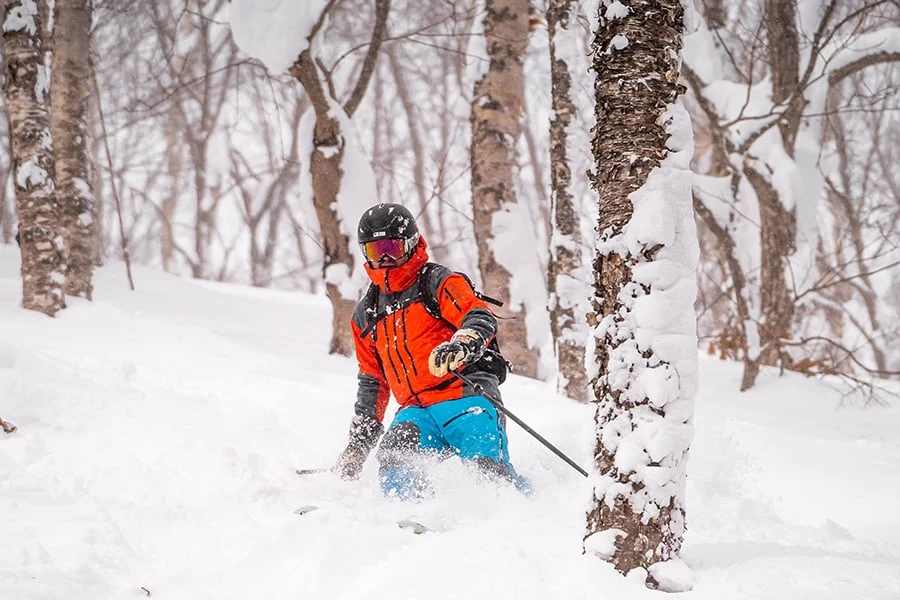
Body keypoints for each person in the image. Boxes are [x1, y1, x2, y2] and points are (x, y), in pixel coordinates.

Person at [334, 203, 529, 499]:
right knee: (394, 454)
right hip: (416, 410)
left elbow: (478, 315)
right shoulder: (366, 315)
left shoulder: (436, 282)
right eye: (376, 251)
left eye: (392, 247)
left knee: (486, 466)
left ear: (410, 244)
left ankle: (524, 510)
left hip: (465, 396)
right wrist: (358, 445)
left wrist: (463, 343)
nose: (385, 258)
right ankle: (412, 515)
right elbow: (373, 382)